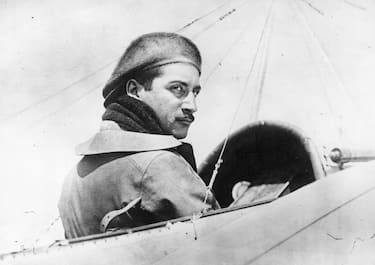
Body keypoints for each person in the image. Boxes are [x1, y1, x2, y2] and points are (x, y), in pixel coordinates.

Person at [58, 32, 220, 239]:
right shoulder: (159, 164)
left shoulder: (74, 178)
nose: (192, 106)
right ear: (135, 90)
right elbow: (224, 244)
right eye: (177, 89)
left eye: (195, 92)